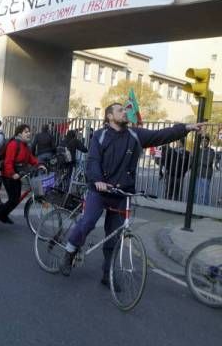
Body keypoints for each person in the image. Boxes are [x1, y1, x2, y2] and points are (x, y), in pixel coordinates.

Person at [59, 102, 204, 286]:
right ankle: (69, 252)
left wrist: (185, 128)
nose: (125, 112)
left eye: (125, 110)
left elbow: (161, 135)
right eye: (120, 110)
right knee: (87, 223)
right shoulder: (100, 135)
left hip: (122, 193)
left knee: (115, 234)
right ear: (110, 116)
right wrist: (97, 180)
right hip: (100, 190)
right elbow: (93, 160)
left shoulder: (135, 135)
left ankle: (108, 273)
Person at [0, 124, 45, 233]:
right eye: (26, 131)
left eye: (29, 131)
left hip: (18, 175)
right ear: (19, 133)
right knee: (13, 199)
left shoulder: (25, 146)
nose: (29, 133)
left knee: (16, 200)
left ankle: (3, 215)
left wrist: (39, 164)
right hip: (8, 175)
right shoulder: (14, 144)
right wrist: (12, 173)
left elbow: (31, 159)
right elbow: (8, 161)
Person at [195, 135, 215, 205]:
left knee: (204, 194)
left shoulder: (211, 151)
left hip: (206, 175)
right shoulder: (198, 150)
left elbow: (208, 162)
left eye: (205, 141)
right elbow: (193, 161)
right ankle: (194, 208)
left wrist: (197, 160)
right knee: (196, 193)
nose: (204, 142)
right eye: (202, 141)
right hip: (197, 174)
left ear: (208, 142)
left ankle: (203, 209)